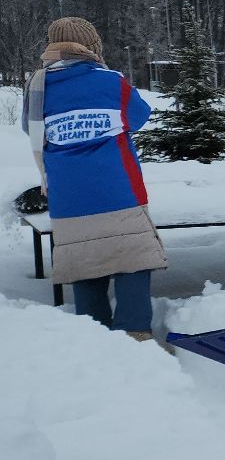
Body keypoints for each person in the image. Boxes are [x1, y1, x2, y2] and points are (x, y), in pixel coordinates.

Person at [24, 17, 167, 339]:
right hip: (119, 188)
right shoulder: (111, 82)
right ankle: (135, 334)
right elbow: (139, 116)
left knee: (84, 262)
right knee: (132, 259)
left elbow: (30, 130)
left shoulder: (37, 87)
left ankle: (96, 338)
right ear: (93, 48)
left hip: (68, 195)